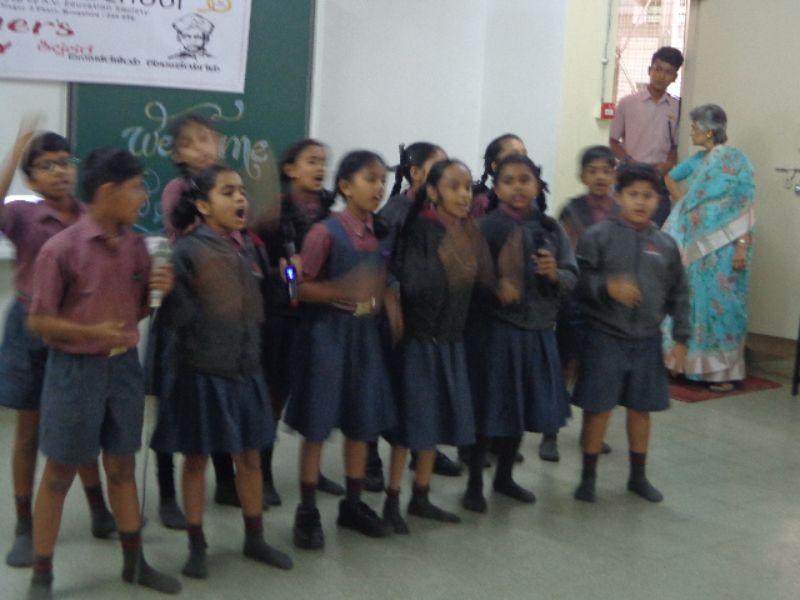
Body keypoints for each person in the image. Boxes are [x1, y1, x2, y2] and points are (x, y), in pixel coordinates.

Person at [26, 148, 181, 599]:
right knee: (59, 473)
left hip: (123, 368)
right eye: (135, 188)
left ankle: (135, 564)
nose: (143, 197)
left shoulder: (134, 247)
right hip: (75, 370)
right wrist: (90, 331)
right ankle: (41, 575)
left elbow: (135, 313)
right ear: (107, 191)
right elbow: (39, 321)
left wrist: (156, 292)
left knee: (122, 466)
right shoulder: (61, 249)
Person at [151, 164, 293, 579]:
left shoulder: (248, 247)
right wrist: (167, 293)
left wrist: (288, 280)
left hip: (245, 369)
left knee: (249, 457)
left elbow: (262, 303)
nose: (240, 199)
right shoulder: (186, 251)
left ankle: (255, 537)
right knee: (196, 461)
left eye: (242, 191)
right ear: (202, 205)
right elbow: (174, 320)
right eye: (228, 192)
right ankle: (197, 545)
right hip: (201, 372)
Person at [0, 117, 115, 569]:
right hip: (31, 327)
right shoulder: (23, 213)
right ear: (31, 178)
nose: (61, 171)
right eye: (47, 165)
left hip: (77, 329)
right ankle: (24, 524)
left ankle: (99, 510)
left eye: (65, 162)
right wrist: (16, 150)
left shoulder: (90, 216)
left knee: (80, 424)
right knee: (29, 429)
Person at [285, 150, 396, 549]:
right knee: (317, 426)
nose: (378, 187)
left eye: (382, 180)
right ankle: (307, 511)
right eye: (370, 179)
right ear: (346, 186)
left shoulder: (378, 233)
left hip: (364, 336)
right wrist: (339, 290)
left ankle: (353, 504)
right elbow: (295, 287)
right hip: (328, 336)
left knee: (362, 423)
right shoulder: (324, 233)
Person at [462, 155, 577, 513]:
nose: (517, 187)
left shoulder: (551, 228)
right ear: (496, 189)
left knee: (520, 407)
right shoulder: (483, 228)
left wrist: (555, 275)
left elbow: (572, 276)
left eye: (524, 180)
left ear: (537, 185)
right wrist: (494, 289)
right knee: (489, 408)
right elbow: (467, 279)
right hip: (496, 333)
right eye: (508, 181)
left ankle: (505, 477)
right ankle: (474, 483)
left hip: (538, 331)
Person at [572, 163, 689, 504]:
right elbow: (578, 284)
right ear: (618, 197)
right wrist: (607, 287)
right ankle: (588, 478)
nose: (640, 202)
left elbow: (680, 294)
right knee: (597, 410)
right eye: (633, 194)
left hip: (647, 340)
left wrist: (682, 339)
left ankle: (638, 477)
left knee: (641, 410)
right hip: (604, 338)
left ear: (658, 200)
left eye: (648, 195)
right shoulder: (598, 236)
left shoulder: (666, 244)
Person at [383, 159, 487, 533]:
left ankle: (421, 496)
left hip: (450, 340)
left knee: (434, 420)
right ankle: (392, 499)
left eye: (468, 187)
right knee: (410, 424)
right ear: (432, 191)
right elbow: (413, 285)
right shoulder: (421, 231)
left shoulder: (468, 231)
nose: (464, 195)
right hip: (419, 342)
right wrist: (450, 257)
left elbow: (482, 282)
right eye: (454, 187)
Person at [154, 113, 239, 527]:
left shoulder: (230, 187)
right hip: (184, 311)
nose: (203, 148)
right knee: (173, 405)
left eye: (208, 139)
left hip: (220, 314)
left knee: (220, 396)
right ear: (177, 154)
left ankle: (225, 480)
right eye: (191, 142)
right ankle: (167, 494)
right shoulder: (178, 190)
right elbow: (188, 230)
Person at [258, 138, 344, 505]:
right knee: (274, 397)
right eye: (312, 161)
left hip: (318, 315)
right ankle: (262, 473)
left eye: (323, 161)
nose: (320, 168)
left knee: (315, 394)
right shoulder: (273, 213)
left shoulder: (328, 212)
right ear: (290, 169)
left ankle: (313, 471)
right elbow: (268, 267)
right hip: (281, 316)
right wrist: (290, 281)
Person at [372, 141, 462, 488]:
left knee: (423, 393)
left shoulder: (444, 216)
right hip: (396, 317)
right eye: (438, 169)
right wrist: (393, 300)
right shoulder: (396, 212)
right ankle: (371, 459)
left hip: (432, 324)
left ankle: (425, 448)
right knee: (387, 389)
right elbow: (382, 264)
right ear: (416, 173)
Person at [662, 104, 755, 391]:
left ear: (709, 130)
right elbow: (670, 176)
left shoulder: (735, 161)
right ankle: (684, 364)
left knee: (722, 306)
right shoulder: (697, 161)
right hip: (694, 247)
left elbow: (745, 206)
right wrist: (683, 203)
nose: (691, 132)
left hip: (725, 248)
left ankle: (721, 373)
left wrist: (742, 246)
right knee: (691, 304)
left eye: (694, 128)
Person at [551, 145, 619, 461]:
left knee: (597, 371)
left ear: (614, 175)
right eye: (593, 171)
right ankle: (550, 433)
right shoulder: (572, 211)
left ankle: (589, 434)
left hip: (607, 306)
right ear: (582, 176)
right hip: (575, 301)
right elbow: (564, 254)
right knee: (565, 366)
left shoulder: (620, 211)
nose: (600, 177)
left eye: (606, 170)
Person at [609, 46, 684, 227]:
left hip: (659, 180)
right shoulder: (627, 103)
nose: (661, 76)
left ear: (674, 77)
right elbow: (612, 141)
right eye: (658, 69)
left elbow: (675, 146)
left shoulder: (678, 107)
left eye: (668, 72)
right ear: (650, 70)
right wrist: (629, 161)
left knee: (656, 231)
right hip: (629, 174)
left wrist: (669, 164)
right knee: (624, 228)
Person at [472, 134, 545, 218]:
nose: (521, 159)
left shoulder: (532, 202)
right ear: (495, 165)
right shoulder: (482, 203)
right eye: (514, 155)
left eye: (524, 154)